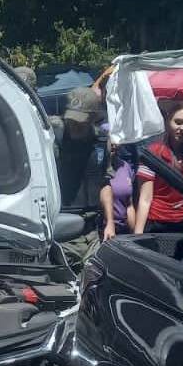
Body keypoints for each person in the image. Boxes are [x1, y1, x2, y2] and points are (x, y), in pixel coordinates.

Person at [55, 87, 107, 269]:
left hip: (92, 231)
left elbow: (104, 182)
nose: (74, 126)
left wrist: (110, 224)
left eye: (81, 122)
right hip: (61, 230)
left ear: (94, 118)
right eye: (71, 120)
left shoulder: (101, 143)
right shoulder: (53, 138)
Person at [135, 103, 183, 234]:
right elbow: (145, 198)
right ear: (168, 121)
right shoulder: (153, 154)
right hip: (157, 222)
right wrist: (138, 234)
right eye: (178, 122)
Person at [99, 139, 135, 241]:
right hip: (102, 232)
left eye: (116, 139)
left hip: (122, 232)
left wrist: (135, 235)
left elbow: (129, 204)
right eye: (109, 139)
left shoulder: (125, 166)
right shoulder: (94, 168)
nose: (114, 144)